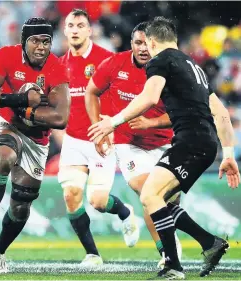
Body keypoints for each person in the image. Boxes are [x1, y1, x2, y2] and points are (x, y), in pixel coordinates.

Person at [88, 17, 240, 279]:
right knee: (155, 196)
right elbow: (222, 112)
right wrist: (228, 154)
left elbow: (148, 98)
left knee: (149, 197)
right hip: (204, 144)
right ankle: (208, 244)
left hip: (188, 142)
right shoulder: (195, 67)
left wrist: (112, 122)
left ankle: (172, 265)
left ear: (153, 41)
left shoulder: (160, 61)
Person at [0, 17, 70, 273]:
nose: (41, 47)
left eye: (46, 41)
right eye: (35, 40)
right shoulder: (6, 55)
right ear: (24, 42)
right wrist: (21, 98)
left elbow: (60, 118)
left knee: (21, 206)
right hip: (7, 125)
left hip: (37, 140)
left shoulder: (57, 68)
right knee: (4, 158)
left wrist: (30, 114)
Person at [85, 21, 182, 268]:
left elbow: (183, 112)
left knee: (169, 201)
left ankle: (172, 237)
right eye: (137, 43)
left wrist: (151, 123)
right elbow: (91, 92)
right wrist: (99, 127)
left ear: (154, 44)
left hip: (166, 142)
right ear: (131, 44)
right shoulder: (114, 64)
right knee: (148, 191)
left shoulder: (170, 69)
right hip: (129, 144)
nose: (142, 48)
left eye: (146, 43)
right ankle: (166, 251)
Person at [58, 9, 139, 266]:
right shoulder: (59, 66)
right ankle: (92, 254)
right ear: (64, 30)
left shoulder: (107, 60)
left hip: (101, 140)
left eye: (80, 25)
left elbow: (124, 95)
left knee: (98, 202)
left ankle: (126, 213)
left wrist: (113, 128)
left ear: (89, 30)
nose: (74, 29)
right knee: (71, 195)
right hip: (73, 140)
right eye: (70, 25)